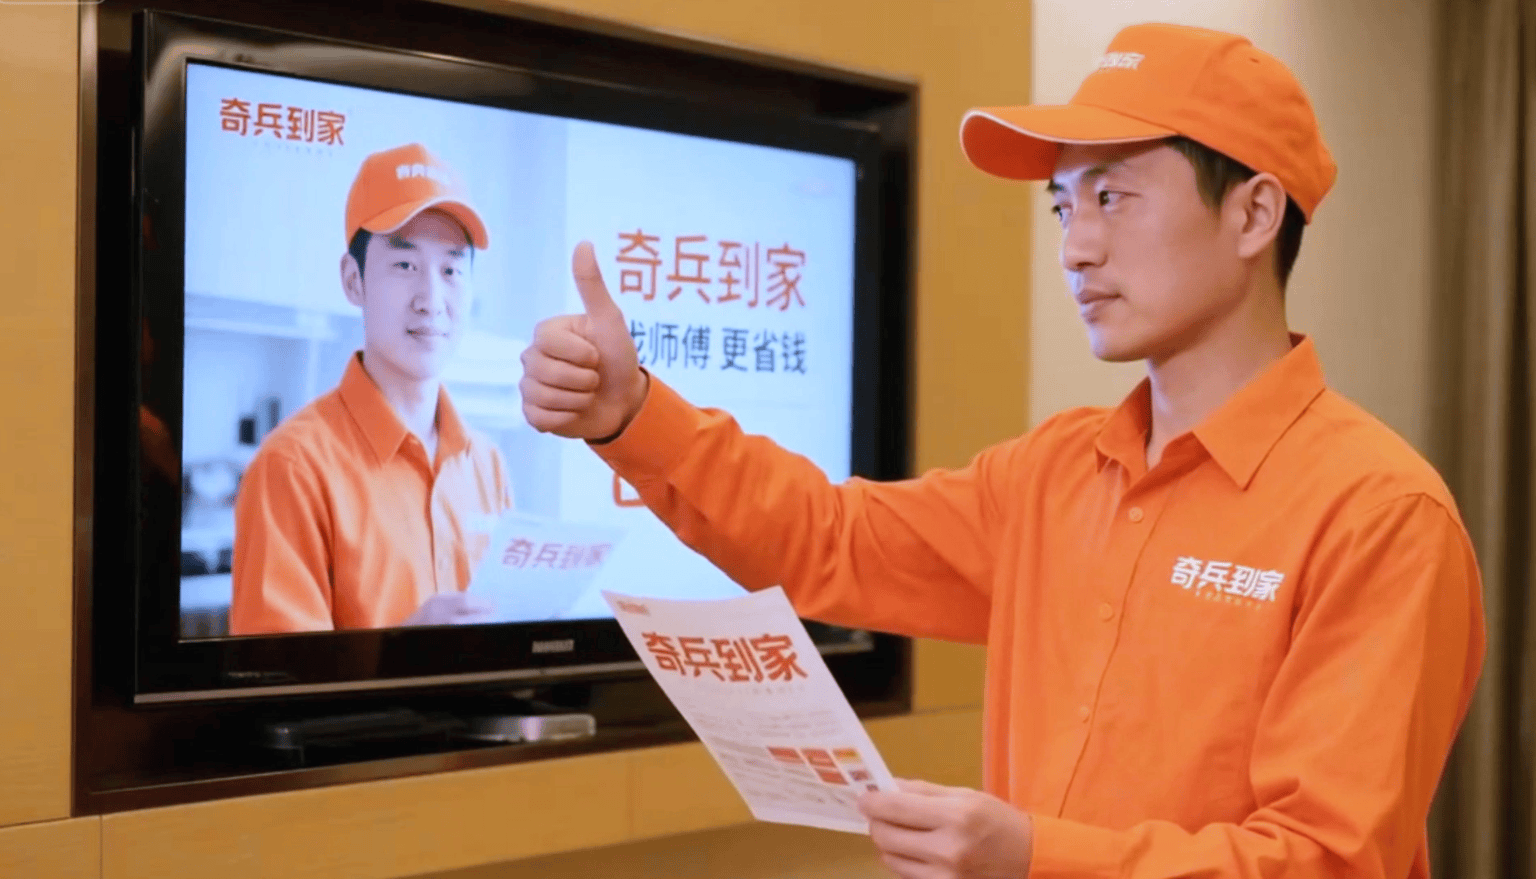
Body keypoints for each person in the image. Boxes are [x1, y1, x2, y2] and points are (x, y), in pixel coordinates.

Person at [520, 22, 1489, 879]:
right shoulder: (1054, 473)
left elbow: (1326, 860)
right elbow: (829, 539)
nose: (1075, 248)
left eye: (1113, 196)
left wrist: (1034, 858)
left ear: (1254, 214)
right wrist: (631, 414)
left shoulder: (1378, 516)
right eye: (1064, 207)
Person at [231, 142, 515, 634]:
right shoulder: (292, 467)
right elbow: (274, 673)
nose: (432, 300)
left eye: (451, 270)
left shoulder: (486, 465)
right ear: (354, 280)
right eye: (405, 265)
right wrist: (403, 649)